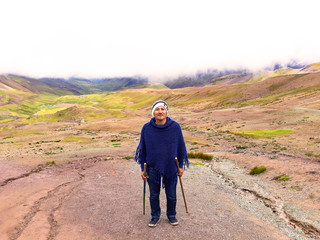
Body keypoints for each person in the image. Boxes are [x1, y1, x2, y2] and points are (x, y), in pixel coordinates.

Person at [135, 100, 189, 227]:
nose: (160, 112)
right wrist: (143, 168)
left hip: (171, 166)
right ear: (153, 112)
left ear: (166, 112)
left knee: (171, 194)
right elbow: (142, 149)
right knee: (154, 194)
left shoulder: (175, 127)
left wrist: (180, 166)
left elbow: (181, 147)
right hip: (152, 166)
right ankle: (155, 216)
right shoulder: (146, 128)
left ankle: (171, 215)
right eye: (157, 109)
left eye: (162, 109)